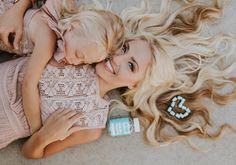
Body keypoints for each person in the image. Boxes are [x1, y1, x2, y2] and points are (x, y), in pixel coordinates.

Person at [0, 0, 236, 159]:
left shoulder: (92, 125)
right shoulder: (85, 44)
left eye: (131, 65)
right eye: (124, 49)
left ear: (135, 85)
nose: (117, 59)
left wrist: (45, 135)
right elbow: (55, 9)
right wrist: (18, 8)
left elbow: (31, 153)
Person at [0, 0, 125, 133]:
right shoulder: (47, 40)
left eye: (83, 62)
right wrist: (37, 130)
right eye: (78, 54)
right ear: (72, 28)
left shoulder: (67, 34)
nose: (75, 62)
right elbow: (28, 84)